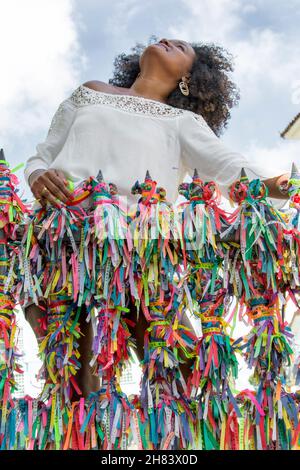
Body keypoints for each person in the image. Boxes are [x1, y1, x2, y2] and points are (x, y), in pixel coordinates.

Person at [23, 36, 290, 400]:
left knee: (184, 374)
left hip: (143, 252)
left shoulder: (184, 121)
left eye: (182, 49)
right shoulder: (89, 92)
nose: (169, 41)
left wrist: (288, 184)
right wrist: (37, 175)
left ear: (188, 79)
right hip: (65, 244)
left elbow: (234, 169)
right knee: (74, 383)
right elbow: (44, 154)